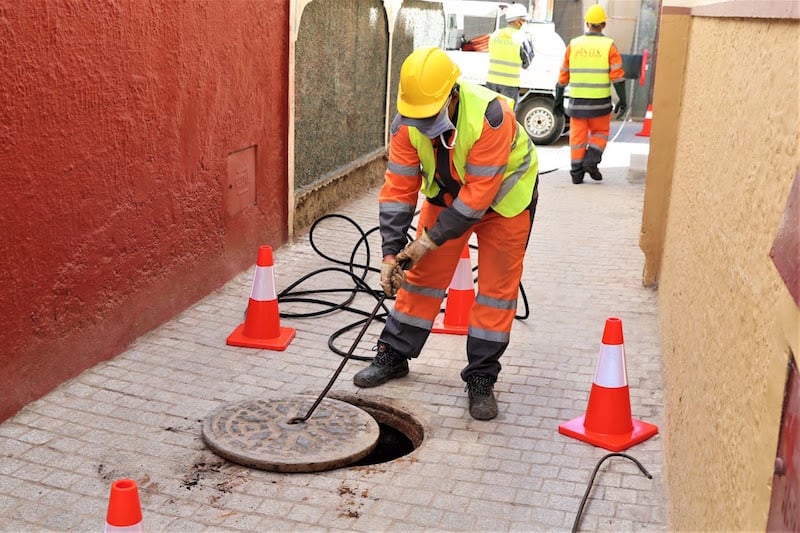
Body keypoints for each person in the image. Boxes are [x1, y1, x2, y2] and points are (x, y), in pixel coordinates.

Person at [352, 46, 539, 421]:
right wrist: (390, 254)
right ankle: (394, 354)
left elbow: (476, 201)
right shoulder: (405, 124)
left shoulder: (491, 115)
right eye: (416, 116)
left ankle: (481, 378)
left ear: (452, 95)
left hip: (506, 204)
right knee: (420, 278)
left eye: (429, 115)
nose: (422, 124)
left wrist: (425, 241)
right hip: (449, 195)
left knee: (496, 292)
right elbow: (398, 191)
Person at [552, 4, 627, 184]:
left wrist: (558, 99)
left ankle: (576, 174)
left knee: (577, 138)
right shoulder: (609, 46)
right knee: (600, 132)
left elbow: (563, 75)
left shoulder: (574, 44)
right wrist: (623, 99)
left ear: (587, 23)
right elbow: (617, 76)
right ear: (604, 25)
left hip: (577, 104)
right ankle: (591, 161)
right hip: (600, 104)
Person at [485, 3, 534, 109]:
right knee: (507, 114)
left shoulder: (494, 35)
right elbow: (528, 62)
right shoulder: (522, 38)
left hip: (491, 81)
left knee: (491, 112)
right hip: (509, 84)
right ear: (518, 21)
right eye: (524, 20)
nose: (524, 23)